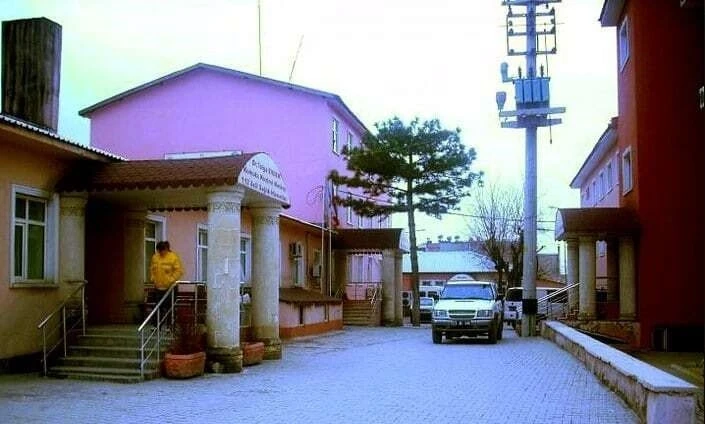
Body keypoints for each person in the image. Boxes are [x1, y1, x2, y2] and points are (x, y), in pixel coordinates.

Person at [149, 241, 184, 318]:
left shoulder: (173, 257)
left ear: (166, 249)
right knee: (158, 307)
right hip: (158, 287)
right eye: (159, 251)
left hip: (170, 288)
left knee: (170, 308)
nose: (160, 252)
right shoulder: (155, 257)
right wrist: (153, 278)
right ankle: (157, 323)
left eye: (162, 250)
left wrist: (171, 280)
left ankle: (170, 323)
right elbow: (152, 269)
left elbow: (179, 271)